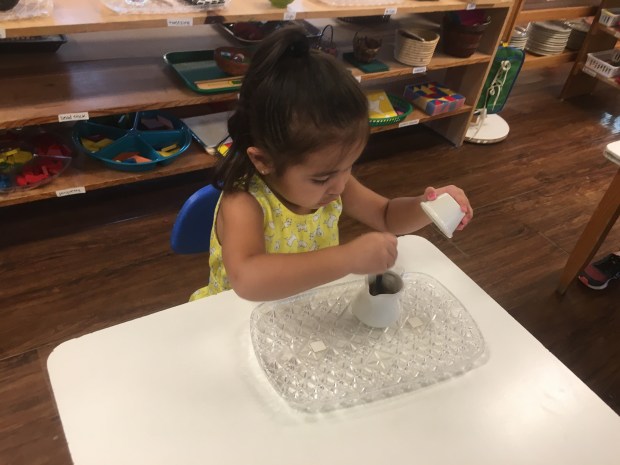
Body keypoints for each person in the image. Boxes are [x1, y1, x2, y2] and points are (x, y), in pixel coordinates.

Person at [190, 26, 473, 302]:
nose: (339, 186)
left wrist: (425, 206)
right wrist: (347, 258)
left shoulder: (336, 182)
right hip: (234, 316)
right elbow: (248, 279)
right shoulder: (244, 203)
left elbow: (386, 215)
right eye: (321, 178)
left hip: (302, 305)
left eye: (348, 166)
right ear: (264, 160)